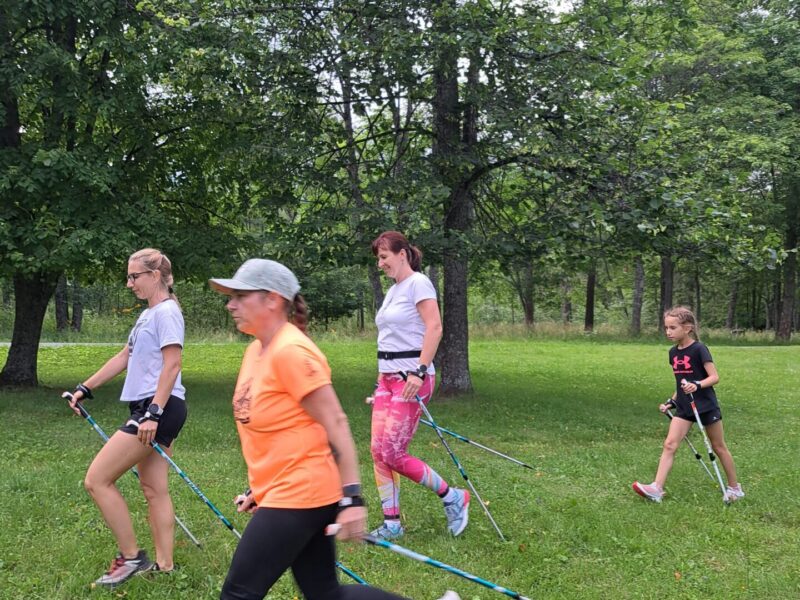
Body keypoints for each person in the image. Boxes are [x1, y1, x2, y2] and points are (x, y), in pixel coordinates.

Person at [209, 258, 460, 600]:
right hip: (290, 490)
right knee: (325, 594)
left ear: (272, 299)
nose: (231, 304)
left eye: (240, 295)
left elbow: (335, 423)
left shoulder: (292, 352)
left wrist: (353, 497)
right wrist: (260, 489)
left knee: (238, 594)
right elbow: (291, 427)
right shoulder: (257, 350)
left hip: (301, 493)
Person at [67, 248, 187, 587]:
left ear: (156, 276)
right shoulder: (148, 315)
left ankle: (131, 557)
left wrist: (153, 413)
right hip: (155, 407)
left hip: (157, 407)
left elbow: (172, 364)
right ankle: (164, 566)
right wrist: (85, 388)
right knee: (153, 488)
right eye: (129, 276)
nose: (129, 282)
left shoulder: (166, 312)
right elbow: (125, 356)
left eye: (135, 276)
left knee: (97, 479)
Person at [367, 231, 469, 540]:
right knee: (378, 451)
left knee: (394, 453)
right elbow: (388, 339)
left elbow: (435, 327)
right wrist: (379, 384)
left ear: (402, 254)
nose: (380, 264)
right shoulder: (393, 291)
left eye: (384, 257)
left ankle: (453, 496)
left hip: (412, 380)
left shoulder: (418, 283)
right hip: (387, 380)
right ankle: (392, 524)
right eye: (378, 258)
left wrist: (419, 371)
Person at [632, 305, 743, 503]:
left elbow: (714, 377)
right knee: (669, 444)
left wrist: (697, 385)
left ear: (688, 328)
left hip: (705, 406)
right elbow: (681, 382)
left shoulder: (699, 349)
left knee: (718, 446)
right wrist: (671, 402)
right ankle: (656, 488)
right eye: (666, 328)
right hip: (684, 407)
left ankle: (735, 488)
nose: (668, 332)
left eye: (673, 328)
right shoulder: (673, 353)